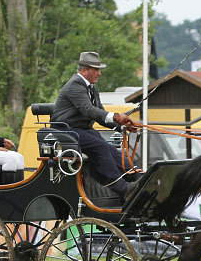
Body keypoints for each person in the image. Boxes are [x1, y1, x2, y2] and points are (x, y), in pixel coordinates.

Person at [50, 52, 138, 202]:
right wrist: (116, 116)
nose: (99, 73)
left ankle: (135, 176)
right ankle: (121, 187)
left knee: (109, 148)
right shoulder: (75, 85)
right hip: (65, 130)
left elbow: (100, 114)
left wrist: (121, 127)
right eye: (96, 70)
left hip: (81, 130)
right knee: (100, 147)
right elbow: (88, 110)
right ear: (84, 70)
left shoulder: (91, 87)